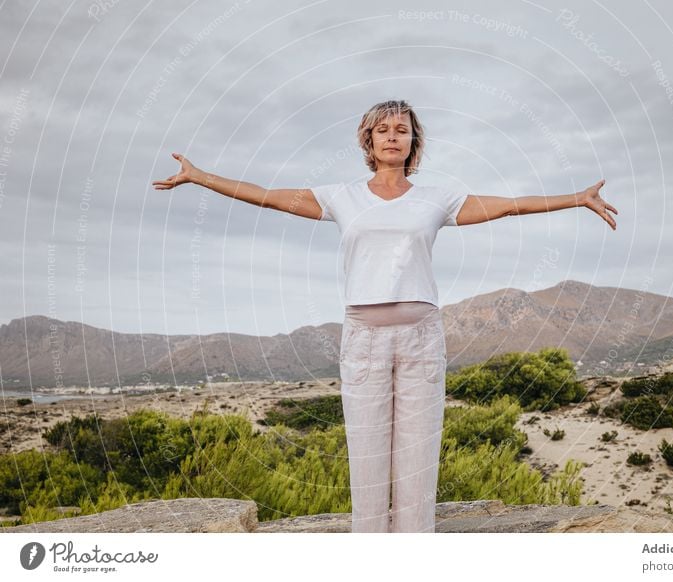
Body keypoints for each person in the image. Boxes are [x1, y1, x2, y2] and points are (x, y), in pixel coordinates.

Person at [152, 99, 618, 533]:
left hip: (420, 337)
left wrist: (575, 197)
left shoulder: (438, 198)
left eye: (402, 130)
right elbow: (268, 196)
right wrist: (200, 176)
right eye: (382, 129)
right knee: (369, 458)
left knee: (417, 458)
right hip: (364, 338)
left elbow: (509, 207)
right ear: (368, 142)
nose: (392, 136)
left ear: (414, 142)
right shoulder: (342, 197)